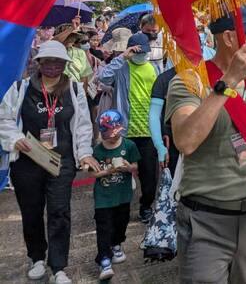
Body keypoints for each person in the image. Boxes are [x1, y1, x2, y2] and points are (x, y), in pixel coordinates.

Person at [166, 4, 246, 284]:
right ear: (228, 37)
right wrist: (229, 81)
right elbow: (186, 141)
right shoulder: (189, 81)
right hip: (205, 218)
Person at [0, 41, 99, 284]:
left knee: (59, 212)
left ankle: (58, 267)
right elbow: (4, 118)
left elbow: (83, 125)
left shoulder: (73, 89)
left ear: (65, 64)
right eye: (48, 62)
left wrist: (85, 153)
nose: (53, 67)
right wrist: (15, 138)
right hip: (27, 162)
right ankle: (36, 257)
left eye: (58, 62)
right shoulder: (21, 88)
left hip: (61, 162)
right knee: (31, 211)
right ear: (39, 63)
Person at [97, 33, 160, 222]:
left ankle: (146, 206)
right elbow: (103, 78)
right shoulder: (121, 68)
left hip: (148, 131)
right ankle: (118, 209)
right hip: (125, 132)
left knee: (149, 175)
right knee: (119, 173)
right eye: (136, 52)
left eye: (143, 52)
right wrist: (122, 57)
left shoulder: (154, 68)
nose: (140, 55)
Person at [91, 109, 140, 280]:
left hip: (123, 195)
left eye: (115, 133)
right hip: (103, 197)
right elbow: (93, 173)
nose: (113, 137)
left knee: (121, 222)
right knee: (103, 226)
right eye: (109, 134)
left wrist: (128, 168)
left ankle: (116, 244)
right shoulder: (97, 150)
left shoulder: (129, 146)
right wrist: (108, 171)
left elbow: (135, 166)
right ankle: (104, 259)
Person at [148, 65, 179, 175]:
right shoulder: (165, 79)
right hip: (172, 142)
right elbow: (154, 115)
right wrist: (160, 145)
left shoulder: (206, 75)